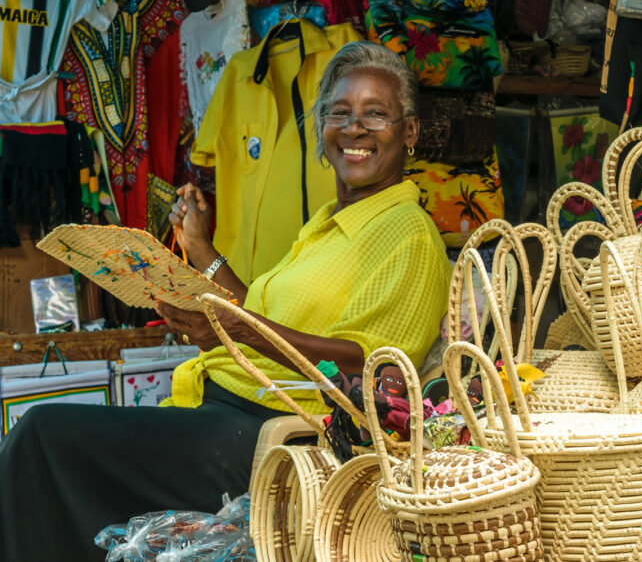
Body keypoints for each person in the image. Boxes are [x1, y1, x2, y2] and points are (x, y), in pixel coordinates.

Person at [0, 41, 451, 561]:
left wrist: (235, 330)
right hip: (221, 410)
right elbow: (253, 308)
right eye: (340, 113)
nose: (354, 128)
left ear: (409, 132)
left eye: (377, 115)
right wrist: (199, 248)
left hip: (271, 437)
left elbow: (374, 370)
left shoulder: (408, 234)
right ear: (322, 129)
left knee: (43, 435)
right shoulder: (328, 224)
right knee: (53, 445)